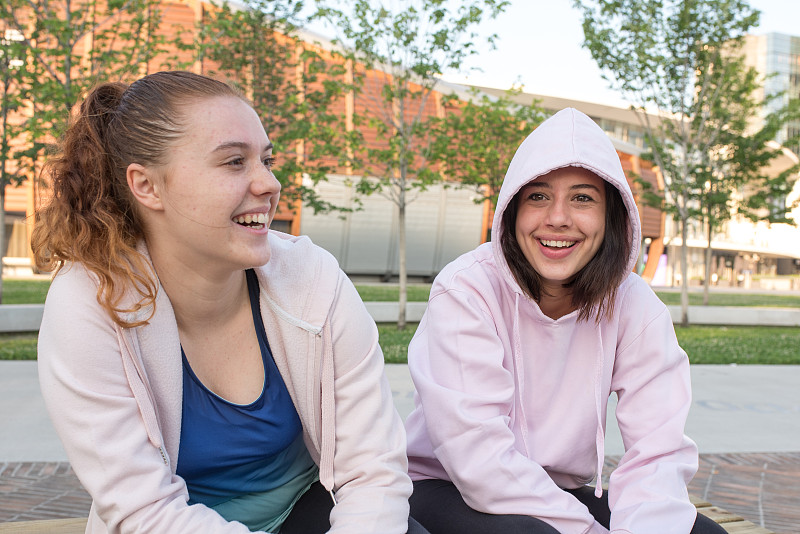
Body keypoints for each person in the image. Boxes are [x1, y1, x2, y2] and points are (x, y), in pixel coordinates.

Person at [32, 70, 427, 534]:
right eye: (234, 162)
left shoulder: (313, 277)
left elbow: (374, 469)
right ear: (147, 186)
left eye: (266, 159)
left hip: (308, 510)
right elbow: (143, 511)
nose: (269, 183)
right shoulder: (90, 302)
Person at [403, 108, 726, 534]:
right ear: (512, 210)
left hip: (555, 490)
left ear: (612, 215)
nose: (557, 217)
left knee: (699, 532)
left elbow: (657, 452)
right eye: (537, 196)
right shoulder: (467, 289)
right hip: (444, 485)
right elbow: (476, 458)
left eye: (582, 198)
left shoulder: (634, 305)